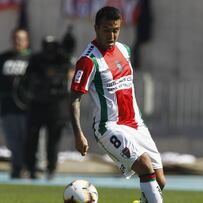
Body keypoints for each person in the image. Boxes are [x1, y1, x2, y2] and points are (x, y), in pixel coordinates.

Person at [70, 6, 165, 203]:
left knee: (160, 181)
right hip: (109, 127)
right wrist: (78, 134)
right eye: (106, 29)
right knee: (145, 167)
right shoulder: (88, 60)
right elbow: (73, 99)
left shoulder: (124, 50)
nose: (111, 35)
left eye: (115, 30)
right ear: (96, 28)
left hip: (136, 124)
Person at [25, 35, 73, 180]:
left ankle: (51, 168)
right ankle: (32, 168)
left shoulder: (62, 59)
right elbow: (28, 78)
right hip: (37, 104)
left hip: (56, 105)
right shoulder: (36, 59)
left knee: (53, 140)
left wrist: (67, 46)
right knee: (32, 138)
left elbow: (69, 66)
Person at [0, 28, 31, 179]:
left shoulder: (32, 59)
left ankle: (27, 167)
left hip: (27, 109)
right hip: (7, 108)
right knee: (12, 141)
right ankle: (17, 168)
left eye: (21, 38)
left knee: (27, 140)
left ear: (27, 41)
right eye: (16, 38)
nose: (18, 41)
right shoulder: (2, 58)